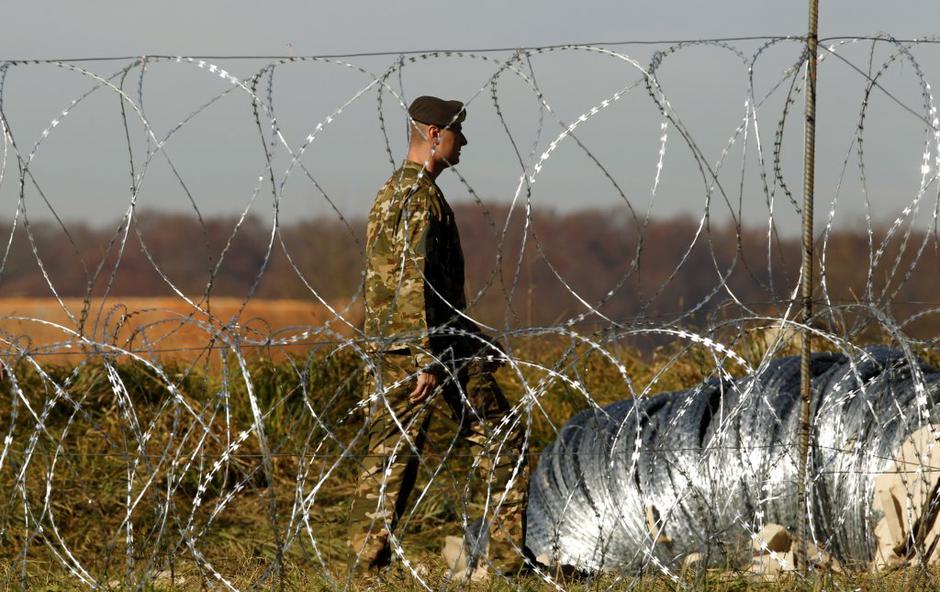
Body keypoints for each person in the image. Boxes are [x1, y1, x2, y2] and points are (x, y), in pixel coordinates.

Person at [347, 96, 528, 578]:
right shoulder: (418, 197)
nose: (463, 140)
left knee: (390, 457)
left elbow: (429, 289)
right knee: (499, 438)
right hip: (425, 350)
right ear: (434, 134)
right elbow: (410, 280)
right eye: (456, 131)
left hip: (413, 346)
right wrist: (425, 358)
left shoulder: (398, 191)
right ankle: (508, 562)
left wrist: (473, 338)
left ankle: (365, 566)